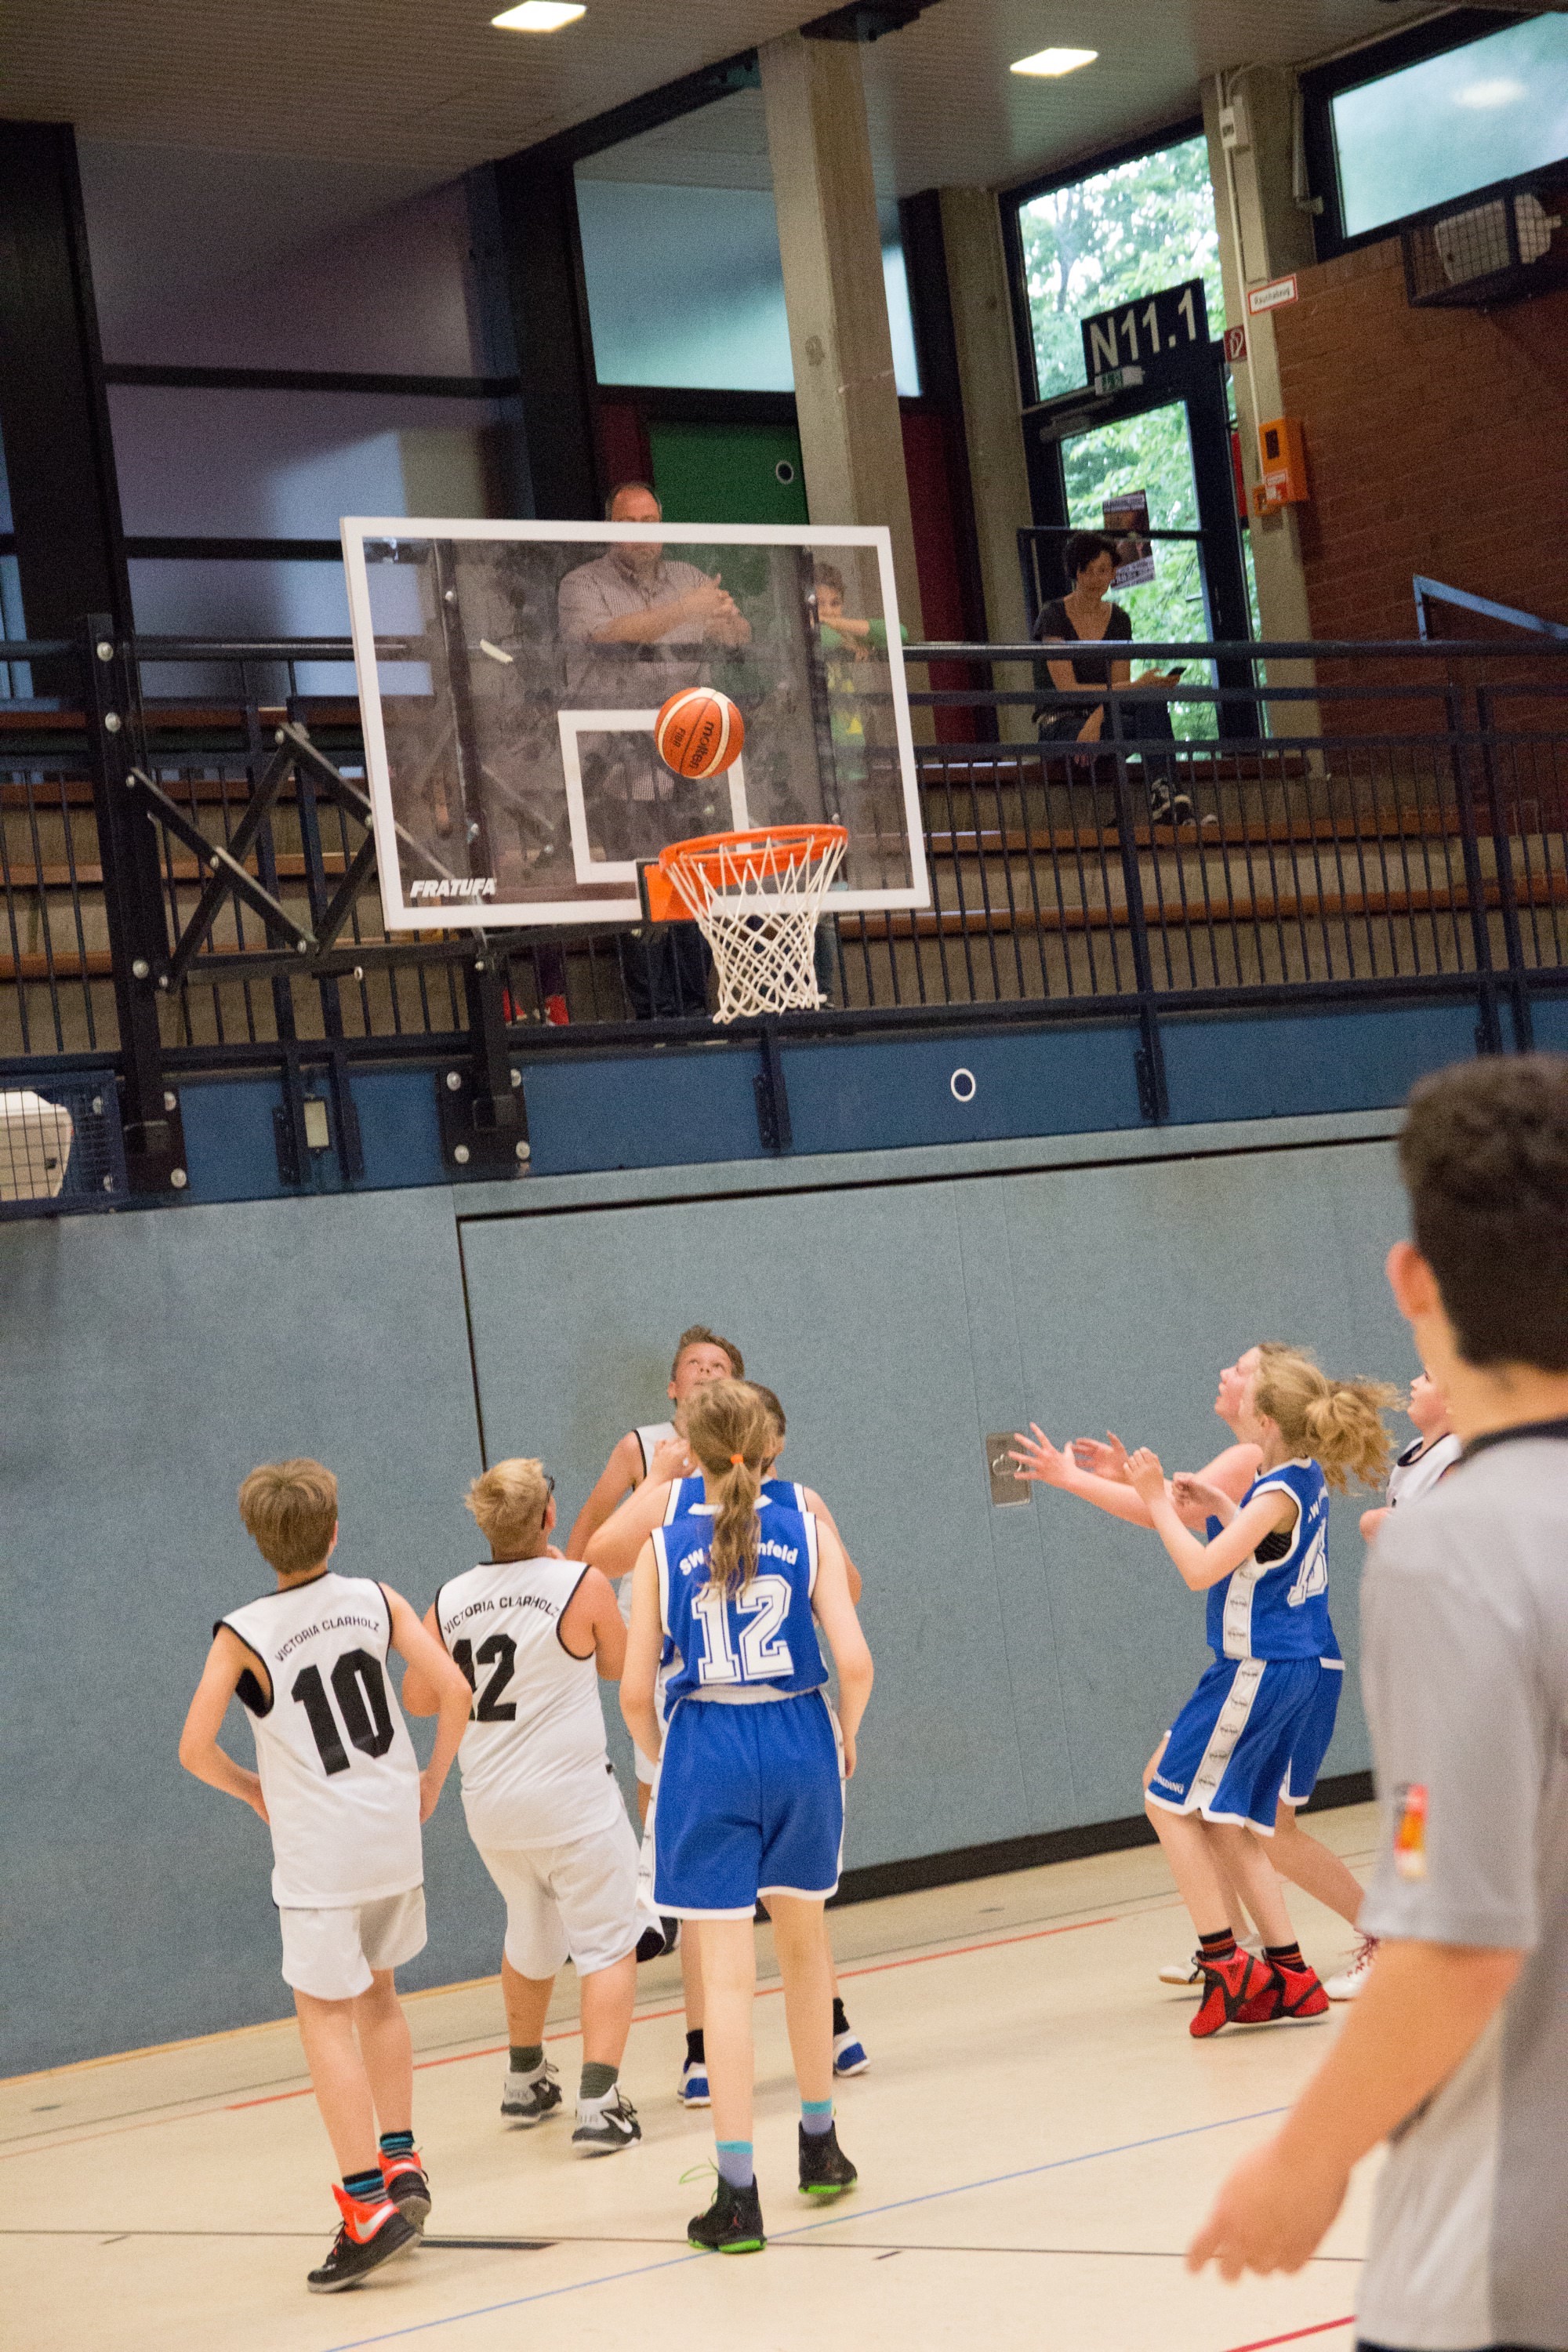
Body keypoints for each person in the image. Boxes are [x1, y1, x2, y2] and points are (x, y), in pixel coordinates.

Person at [1189, 1054, 1568, 2352]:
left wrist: (1303, 2161)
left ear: (1414, 1279)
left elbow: (1455, 1937)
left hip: (1508, 2256)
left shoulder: (1453, 1545)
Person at [177, 1458, 473, 2293]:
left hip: (320, 1853)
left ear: (257, 1540)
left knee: (324, 2020)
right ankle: (401, 2160)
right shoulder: (376, 1599)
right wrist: (431, 1780)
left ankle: (365, 2208)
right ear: (334, 1531)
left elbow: (194, 1748)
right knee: (381, 1995)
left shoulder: (242, 1633)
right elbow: (453, 1689)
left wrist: (251, 1789)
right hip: (390, 1834)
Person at [1012, 1342, 1372, 1987]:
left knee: (1255, 1821)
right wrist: (1135, 1484)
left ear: (1266, 1405)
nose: (1226, 1373)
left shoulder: (1257, 1465)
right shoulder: (1275, 1466)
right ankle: (1238, 1942)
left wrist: (1089, 1481)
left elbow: (1179, 1526)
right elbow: (1203, 1519)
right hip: (1276, 1659)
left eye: (1242, 1368)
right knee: (1207, 1803)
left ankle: (1363, 1936)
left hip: (1285, 1660)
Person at [622, 1379, 873, 2253]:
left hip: (707, 1744)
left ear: (687, 1448)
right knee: (805, 1951)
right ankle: (820, 2145)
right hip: (800, 1734)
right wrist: (845, 1734)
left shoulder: (659, 1545)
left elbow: (632, 1693)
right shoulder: (807, 1522)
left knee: (725, 1981)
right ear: (770, 1445)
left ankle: (737, 2196)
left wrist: (664, 1752)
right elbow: (855, 1661)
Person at [1118, 1345, 1394, 2037]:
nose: (1231, 1388)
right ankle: (1289, 1970)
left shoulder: (1275, 1491)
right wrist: (1217, 1503)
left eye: (1243, 1387)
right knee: (1227, 1816)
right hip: (1283, 1665)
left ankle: (1227, 1961)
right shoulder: (1293, 1478)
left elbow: (1201, 1571)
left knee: (1166, 1800)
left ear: (1265, 1420)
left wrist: (1155, 1499)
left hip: (1260, 1666)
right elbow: (1268, 1549)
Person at [401, 1458, 645, 2157]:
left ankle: (524, 2078)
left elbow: (418, 1697)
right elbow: (616, 1665)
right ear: (548, 1517)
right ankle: (599, 2104)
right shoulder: (579, 1583)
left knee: (531, 1930)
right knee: (609, 1942)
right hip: (573, 1803)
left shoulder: (450, 1598)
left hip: (492, 1808)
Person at [557, 484, 751, 1020]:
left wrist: (730, 626)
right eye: (630, 523)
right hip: (619, 766)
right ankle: (656, 1024)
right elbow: (609, 638)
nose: (642, 534)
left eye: (651, 523)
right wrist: (687, 610)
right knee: (642, 901)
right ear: (610, 528)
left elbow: (740, 635)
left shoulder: (690, 576)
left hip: (691, 762)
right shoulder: (581, 583)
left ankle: (695, 1016)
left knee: (695, 896)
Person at [1033, 530, 1192, 827]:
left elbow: (1119, 687)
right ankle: (1164, 800)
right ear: (1076, 572)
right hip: (1061, 721)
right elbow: (1068, 690)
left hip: (1103, 716)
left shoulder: (1119, 619)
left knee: (1149, 700)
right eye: (1090, 571)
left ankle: (1164, 793)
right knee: (1142, 710)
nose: (1098, 578)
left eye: (1105, 570)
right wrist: (1132, 689)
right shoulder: (1053, 616)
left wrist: (1097, 718)